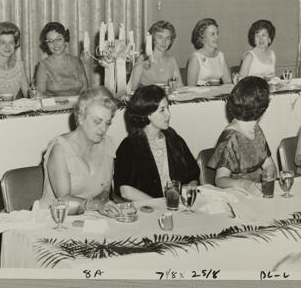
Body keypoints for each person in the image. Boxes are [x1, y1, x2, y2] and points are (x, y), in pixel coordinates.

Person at [40, 86, 120, 217]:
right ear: (81, 117)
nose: (103, 129)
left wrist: (102, 207)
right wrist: (96, 205)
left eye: (108, 123)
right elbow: (63, 200)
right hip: (55, 219)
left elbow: (105, 192)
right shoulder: (60, 149)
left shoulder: (108, 145)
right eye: (97, 121)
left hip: (90, 218)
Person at [114, 85, 199, 200]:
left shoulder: (174, 139)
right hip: (148, 209)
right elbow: (125, 190)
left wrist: (189, 191)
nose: (168, 114)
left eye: (168, 108)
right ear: (146, 114)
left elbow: (192, 174)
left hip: (177, 206)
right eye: (162, 110)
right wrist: (160, 205)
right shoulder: (129, 146)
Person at [208, 76, 278, 195]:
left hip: (257, 192)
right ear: (262, 108)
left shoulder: (255, 128)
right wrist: (245, 184)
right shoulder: (231, 137)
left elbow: (269, 164)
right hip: (238, 194)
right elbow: (220, 180)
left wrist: (271, 172)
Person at [35, 22, 88, 97]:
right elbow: (39, 95)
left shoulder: (77, 62)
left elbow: (85, 90)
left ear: (65, 40)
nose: (55, 44)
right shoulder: (43, 66)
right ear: (46, 44)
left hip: (78, 106)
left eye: (59, 39)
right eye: (50, 41)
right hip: (53, 107)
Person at [128, 20, 183, 90]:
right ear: (153, 39)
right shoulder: (142, 60)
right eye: (160, 37)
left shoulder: (172, 60)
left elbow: (180, 87)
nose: (164, 41)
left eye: (168, 38)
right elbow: (132, 89)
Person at [187, 18, 232, 86]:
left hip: (218, 94)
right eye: (212, 34)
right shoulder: (196, 58)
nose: (217, 37)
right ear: (202, 38)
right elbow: (191, 87)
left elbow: (228, 82)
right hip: (200, 95)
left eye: (217, 33)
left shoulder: (220, 55)